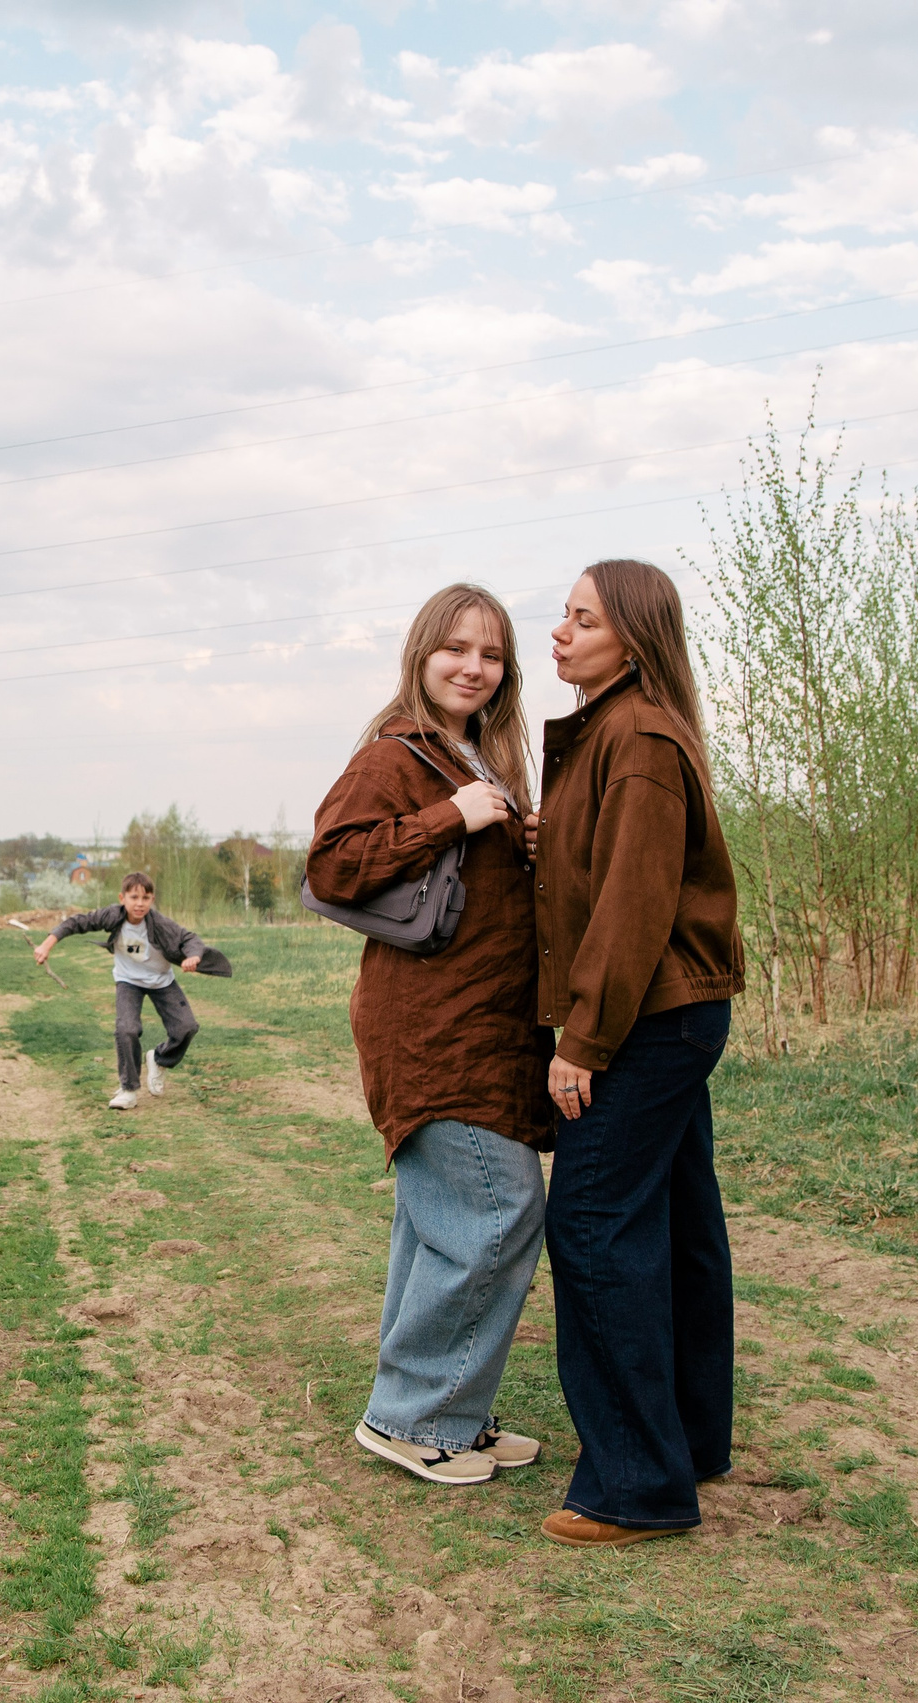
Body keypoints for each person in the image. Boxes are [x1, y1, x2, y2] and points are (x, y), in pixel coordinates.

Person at [306, 582, 558, 1486]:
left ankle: (453, 1409)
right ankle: (411, 1414)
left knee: (439, 1224)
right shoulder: (397, 756)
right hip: (432, 1033)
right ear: (421, 655)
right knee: (497, 1211)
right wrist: (452, 815)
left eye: (490, 655)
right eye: (456, 648)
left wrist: (521, 841)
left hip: (483, 1028)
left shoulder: (476, 756)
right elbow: (333, 864)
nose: (473, 667)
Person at [531, 559, 746, 1546]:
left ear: (635, 636)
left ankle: (633, 1483)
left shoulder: (638, 738)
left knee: (585, 1222)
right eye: (563, 617)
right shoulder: (622, 734)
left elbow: (632, 906)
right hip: (669, 1014)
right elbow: (604, 870)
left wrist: (584, 1038)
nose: (559, 634)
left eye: (581, 619)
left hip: (646, 1021)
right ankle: (685, 1441)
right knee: (672, 1222)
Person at [34, 873, 229, 1110]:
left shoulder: (160, 924)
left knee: (186, 1027)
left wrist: (194, 956)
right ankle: (128, 1089)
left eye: (145, 898)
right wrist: (47, 944)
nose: (139, 903)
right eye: (134, 897)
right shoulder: (112, 916)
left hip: (161, 982)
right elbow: (76, 922)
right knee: (126, 1029)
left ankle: (159, 1059)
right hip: (129, 981)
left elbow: (189, 939)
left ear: (152, 899)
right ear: (122, 898)